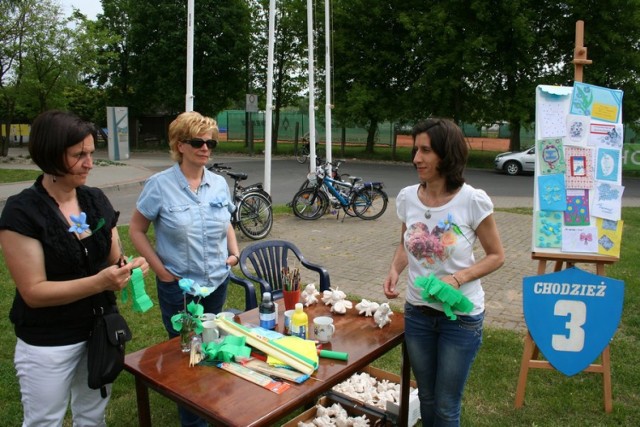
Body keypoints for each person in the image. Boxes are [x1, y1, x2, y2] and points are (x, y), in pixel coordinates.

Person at [0, 110, 149, 426]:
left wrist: (128, 267)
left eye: (92, 153)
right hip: (49, 339)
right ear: (51, 155)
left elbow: (113, 258)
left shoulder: (95, 200)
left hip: (100, 333)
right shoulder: (22, 212)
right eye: (78, 155)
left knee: (92, 415)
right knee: (44, 420)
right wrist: (100, 283)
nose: (90, 163)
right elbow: (34, 292)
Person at [383, 118, 505, 426]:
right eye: (415, 150)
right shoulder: (409, 197)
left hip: (460, 320)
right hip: (418, 314)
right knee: (426, 396)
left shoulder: (472, 200)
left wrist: (458, 278)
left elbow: (497, 256)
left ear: (445, 154)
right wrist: (395, 269)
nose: (416, 159)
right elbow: (405, 243)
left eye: (425, 150)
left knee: (447, 405)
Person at [128, 111, 240, 427]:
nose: (206, 148)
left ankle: (209, 401)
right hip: (180, 290)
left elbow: (226, 220)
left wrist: (234, 251)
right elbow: (136, 229)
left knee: (211, 343)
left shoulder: (218, 184)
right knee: (189, 354)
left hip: (216, 282)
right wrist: (161, 271)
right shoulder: (159, 186)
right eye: (198, 142)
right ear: (180, 145)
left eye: (211, 142)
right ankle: (194, 419)